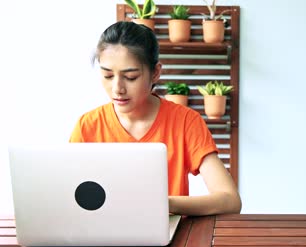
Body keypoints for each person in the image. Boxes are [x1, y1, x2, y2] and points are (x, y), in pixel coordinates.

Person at [69, 21, 241, 216]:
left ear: (156, 73)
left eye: (131, 77)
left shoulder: (185, 121)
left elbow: (230, 200)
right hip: (100, 238)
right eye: (108, 76)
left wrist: (166, 204)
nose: (117, 88)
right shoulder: (87, 126)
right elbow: (68, 196)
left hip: (169, 242)